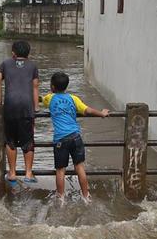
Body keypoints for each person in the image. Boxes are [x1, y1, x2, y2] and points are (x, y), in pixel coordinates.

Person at [39, 72, 109, 200]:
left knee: (60, 170)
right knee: (80, 167)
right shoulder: (73, 98)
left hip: (60, 139)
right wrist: (101, 113)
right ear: (66, 86)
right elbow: (87, 110)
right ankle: (86, 196)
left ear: (52, 86)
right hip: (76, 137)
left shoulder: (50, 98)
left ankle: (60, 198)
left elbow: (41, 100)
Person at [0, 40, 39, 186]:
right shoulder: (32, 66)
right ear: (28, 53)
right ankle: (28, 173)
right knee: (28, 141)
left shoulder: (6, 63)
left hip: (10, 107)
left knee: (10, 140)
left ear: (13, 52)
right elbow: (35, 87)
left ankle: (12, 174)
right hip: (26, 108)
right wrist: (36, 107)